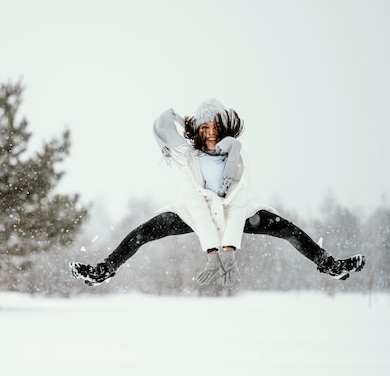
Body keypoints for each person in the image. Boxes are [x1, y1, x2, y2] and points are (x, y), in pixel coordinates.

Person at [70, 99, 365, 287]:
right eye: (204, 128)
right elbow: (197, 207)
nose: (210, 134)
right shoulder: (189, 159)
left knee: (289, 230)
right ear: (197, 130)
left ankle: (330, 265)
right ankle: (103, 270)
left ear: (223, 128)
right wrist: (212, 251)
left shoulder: (238, 156)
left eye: (215, 127)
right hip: (193, 214)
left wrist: (229, 250)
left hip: (238, 213)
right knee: (143, 232)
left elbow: (237, 206)